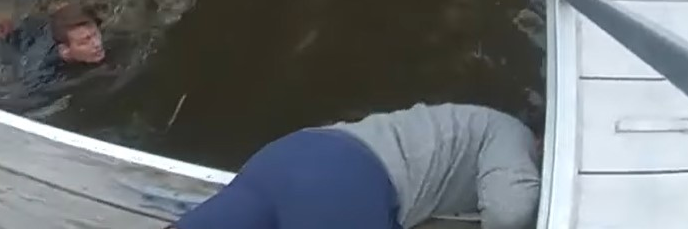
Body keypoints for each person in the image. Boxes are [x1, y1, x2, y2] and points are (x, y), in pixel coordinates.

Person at [171, 102, 541, 229]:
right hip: (351, 183)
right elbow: (510, 213)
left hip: (294, 153)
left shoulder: (467, 118)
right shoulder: (514, 133)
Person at [0, 1, 107, 78]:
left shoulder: (89, 34)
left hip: (39, 25)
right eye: (84, 42)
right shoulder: (41, 69)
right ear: (65, 51)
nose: (96, 44)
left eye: (95, 34)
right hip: (6, 47)